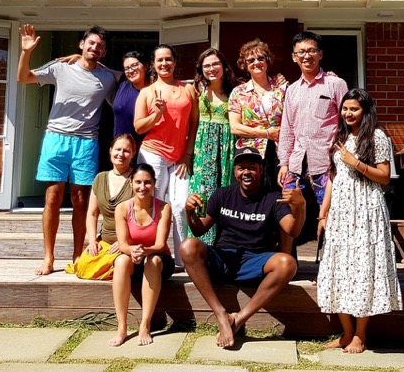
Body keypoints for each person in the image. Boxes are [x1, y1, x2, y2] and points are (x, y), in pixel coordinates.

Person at [180, 147, 306, 348]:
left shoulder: (273, 198)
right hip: (223, 258)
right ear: (235, 172)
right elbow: (198, 230)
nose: (246, 172)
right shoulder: (222, 195)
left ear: (261, 169)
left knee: (287, 263)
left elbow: (293, 229)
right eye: (241, 168)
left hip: (255, 262)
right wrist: (189, 212)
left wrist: (300, 207)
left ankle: (238, 319)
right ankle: (221, 314)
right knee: (188, 246)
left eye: (252, 167)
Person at [17, 24, 117, 276]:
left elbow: (125, 75)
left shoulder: (107, 78)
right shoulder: (60, 67)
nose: (95, 48)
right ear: (81, 44)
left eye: (100, 46)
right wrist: (25, 52)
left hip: (86, 143)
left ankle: (77, 255)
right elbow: (23, 77)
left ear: (104, 52)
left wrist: (101, 66)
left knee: (81, 199)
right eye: (91, 43)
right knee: (52, 197)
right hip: (56, 138)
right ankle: (48, 257)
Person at [316, 88, 402, 354]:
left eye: (354, 109)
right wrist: (323, 213)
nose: (348, 113)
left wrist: (357, 163)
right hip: (341, 212)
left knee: (363, 267)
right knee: (339, 266)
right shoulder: (340, 135)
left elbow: (385, 177)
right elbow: (333, 177)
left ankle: (361, 335)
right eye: (345, 108)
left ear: (365, 110)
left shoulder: (377, 136)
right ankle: (346, 333)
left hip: (366, 210)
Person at [277, 31, 348, 249]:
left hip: (326, 163)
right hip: (297, 164)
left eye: (311, 51)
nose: (306, 56)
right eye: (301, 52)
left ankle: (330, 267)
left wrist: (341, 157)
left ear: (320, 54)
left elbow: (346, 122)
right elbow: (287, 128)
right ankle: (287, 262)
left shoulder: (335, 84)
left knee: (330, 215)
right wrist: (284, 163)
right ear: (293, 57)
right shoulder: (291, 90)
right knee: (288, 213)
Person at [134, 44, 199, 268]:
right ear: (153, 64)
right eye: (160, 60)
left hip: (179, 157)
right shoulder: (147, 92)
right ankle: (154, 255)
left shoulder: (187, 90)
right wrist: (157, 113)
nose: (164, 64)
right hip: (153, 154)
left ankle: (183, 261)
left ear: (175, 62)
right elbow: (139, 127)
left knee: (180, 204)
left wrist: (187, 154)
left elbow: (194, 123)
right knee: (154, 205)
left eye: (168, 59)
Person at [110, 163, 174, 347]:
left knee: (152, 261)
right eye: (138, 182)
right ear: (131, 183)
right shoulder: (122, 208)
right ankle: (122, 326)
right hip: (134, 258)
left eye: (147, 182)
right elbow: (122, 245)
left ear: (154, 184)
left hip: (158, 260)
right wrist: (133, 251)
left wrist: (144, 251)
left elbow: (160, 244)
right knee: (121, 260)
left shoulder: (163, 208)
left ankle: (145, 324)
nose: (142, 187)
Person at [188, 48, 238, 244]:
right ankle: (199, 246)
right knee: (201, 194)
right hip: (203, 151)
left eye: (215, 64)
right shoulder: (195, 91)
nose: (211, 68)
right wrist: (188, 155)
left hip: (226, 149)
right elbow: (193, 124)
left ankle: (221, 245)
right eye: (206, 65)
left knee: (224, 193)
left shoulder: (236, 90)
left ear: (223, 66)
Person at [72, 134, 136, 280]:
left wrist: (124, 243)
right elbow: (92, 214)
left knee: (120, 263)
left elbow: (144, 215)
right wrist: (93, 240)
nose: (121, 154)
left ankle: (122, 267)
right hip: (105, 242)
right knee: (82, 267)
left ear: (133, 153)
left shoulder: (137, 179)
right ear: (110, 150)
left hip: (129, 242)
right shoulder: (100, 178)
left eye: (126, 151)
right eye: (117, 149)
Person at [229, 38, 288, 196]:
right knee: (251, 197)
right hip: (250, 153)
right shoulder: (239, 92)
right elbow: (235, 127)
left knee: (277, 196)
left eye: (261, 58)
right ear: (245, 65)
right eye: (251, 60)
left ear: (267, 61)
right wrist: (266, 133)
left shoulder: (282, 88)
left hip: (279, 152)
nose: (256, 62)